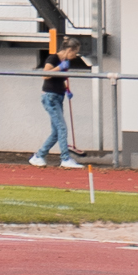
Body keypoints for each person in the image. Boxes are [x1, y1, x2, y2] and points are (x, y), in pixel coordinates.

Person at [32, 26, 84, 168]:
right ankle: (65, 158)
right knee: (62, 128)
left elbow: (59, 79)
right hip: (50, 97)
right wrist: (59, 68)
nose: (75, 56)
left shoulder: (65, 62)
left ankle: (39, 156)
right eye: (76, 52)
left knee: (56, 131)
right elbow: (45, 74)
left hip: (58, 96)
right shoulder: (53, 58)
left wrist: (66, 89)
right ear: (69, 50)